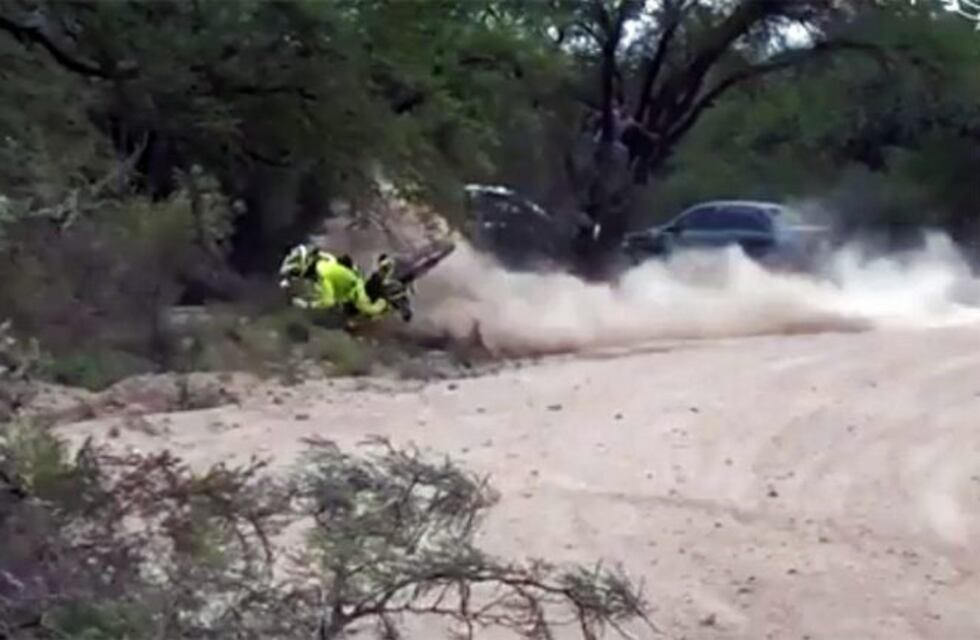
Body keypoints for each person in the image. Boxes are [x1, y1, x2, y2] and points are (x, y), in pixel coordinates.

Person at [278, 244, 391, 320]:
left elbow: (328, 301)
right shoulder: (321, 261)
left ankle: (387, 301)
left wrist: (307, 305)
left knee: (369, 310)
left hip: (354, 289)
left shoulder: (322, 275)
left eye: (296, 272)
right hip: (349, 275)